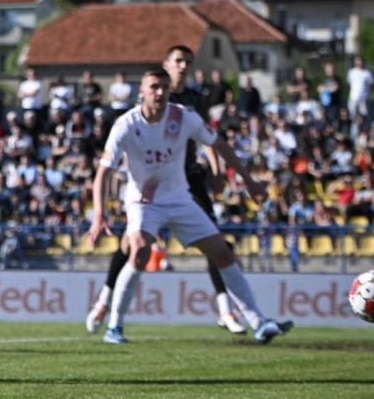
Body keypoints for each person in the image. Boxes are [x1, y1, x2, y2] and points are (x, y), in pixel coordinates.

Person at [88, 69, 293, 345]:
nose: (159, 92)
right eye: (153, 87)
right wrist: (99, 213)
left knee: (222, 253)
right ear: (143, 92)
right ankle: (115, 327)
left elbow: (218, 144)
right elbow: (103, 171)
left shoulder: (183, 117)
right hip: (143, 201)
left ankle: (258, 322)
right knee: (139, 252)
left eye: (163, 87)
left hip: (179, 198)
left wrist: (249, 181)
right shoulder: (126, 124)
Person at [346, 56, 374, 120]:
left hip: (364, 99)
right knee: (352, 116)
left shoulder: (367, 73)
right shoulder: (351, 72)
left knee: (364, 116)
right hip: (353, 98)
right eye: (357, 61)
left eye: (360, 61)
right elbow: (350, 84)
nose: (359, 63)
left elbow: (372, 85)